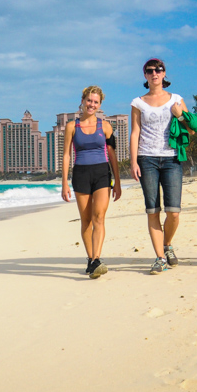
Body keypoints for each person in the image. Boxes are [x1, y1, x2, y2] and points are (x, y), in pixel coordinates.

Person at [130, 58, 191, 275]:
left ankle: (167, 245)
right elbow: (135, 132)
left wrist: (180, 114)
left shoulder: (176, 99)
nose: (154, 73)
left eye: (158, 70)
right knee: (153, 210)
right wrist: (134, 161)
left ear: (164, 74)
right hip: (147, 159)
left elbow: (191, 127)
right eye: (150, 71)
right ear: (145, 76)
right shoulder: (137, 102)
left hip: (172, 158)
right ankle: (160, 258)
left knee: (173, 212)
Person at [61, 86, 122, 279]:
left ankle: (96, 259)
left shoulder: (105, 126)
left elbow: (112, 155)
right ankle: (91, 259)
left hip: (102, 173)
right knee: (86, 220)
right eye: (89, 101)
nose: (92, 104)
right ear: (82, 101)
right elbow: (66, 156)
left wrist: (118, 182)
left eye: (95, 102)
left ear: (100, 104)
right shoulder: (72, 126)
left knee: (99, 217)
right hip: (81, 174)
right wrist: (64, 183)